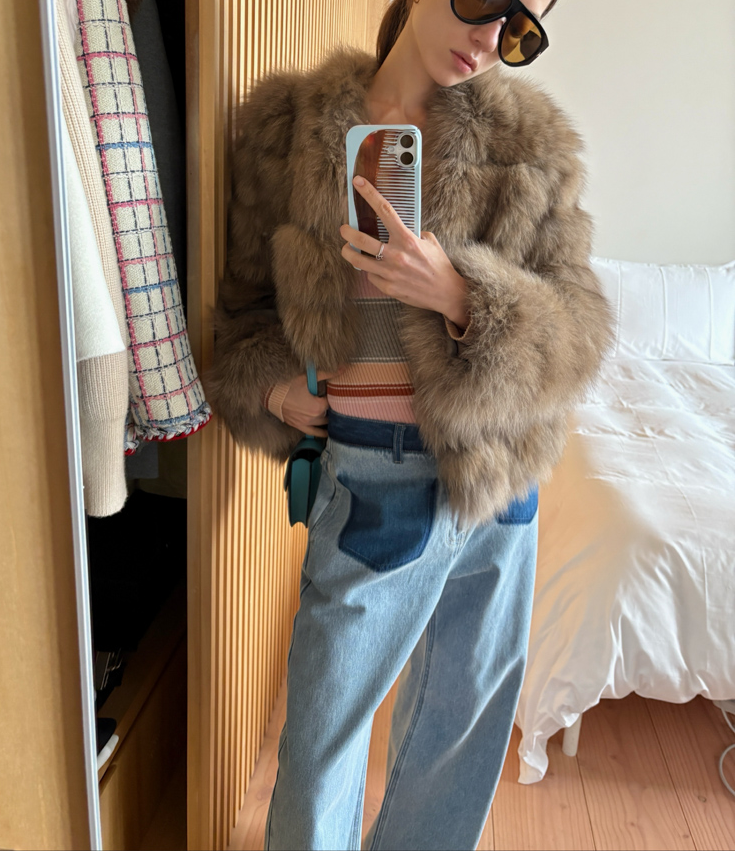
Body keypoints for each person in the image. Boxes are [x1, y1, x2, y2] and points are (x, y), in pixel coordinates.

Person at [207, 0, 614, 848]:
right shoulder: (287, 129)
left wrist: (463, 296)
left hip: (494, 484)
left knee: (454, 739)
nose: (491, 38)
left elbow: (579, 332)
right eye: (482, 3)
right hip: (371, 478)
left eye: (521, 29)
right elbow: (242, 315)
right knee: (320, 743)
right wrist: (276, 391)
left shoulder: (532, 145)